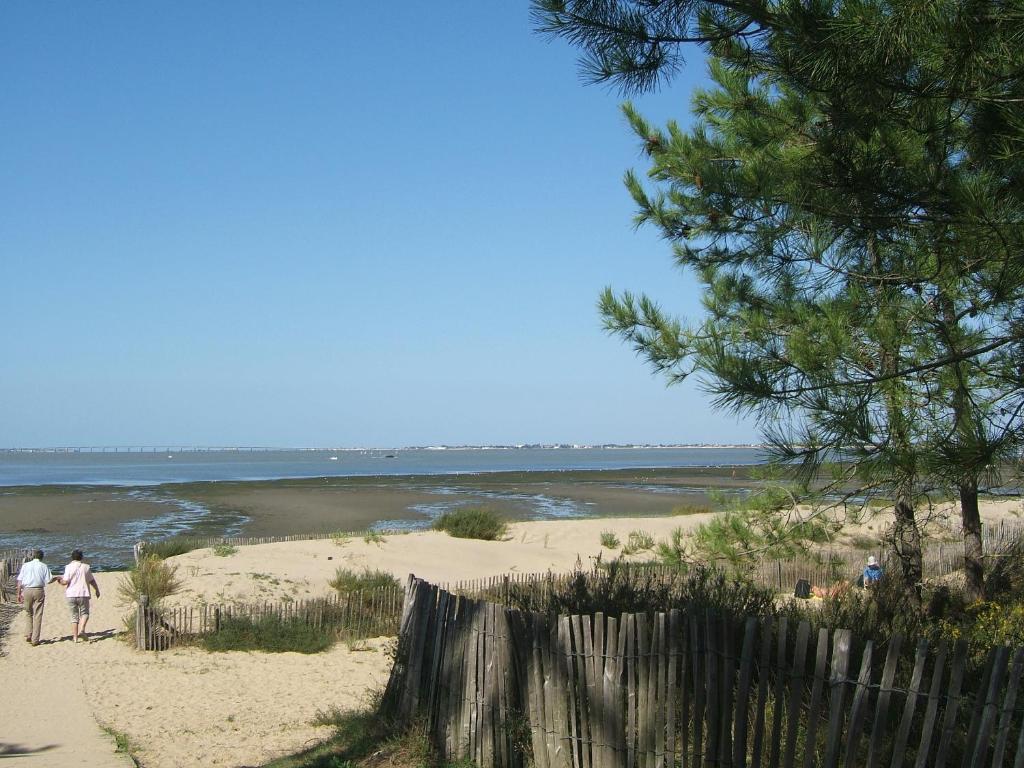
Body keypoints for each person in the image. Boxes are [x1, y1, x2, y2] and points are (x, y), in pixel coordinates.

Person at [15, 549, 58, 646]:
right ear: (42, 557)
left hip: (27, 590)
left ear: (33, 556)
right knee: (38, 615)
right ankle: (35, 639)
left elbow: (20, 581)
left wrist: (18, 594)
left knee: (28, 612)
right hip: (38, 590)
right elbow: (49, 580)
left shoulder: (26, 565)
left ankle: (29, 633)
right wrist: (56, 578)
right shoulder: (43, 566)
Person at [58, 549, 101, 643]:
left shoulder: (68, 567)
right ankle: (82, 629)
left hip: (71, 594)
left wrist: (59, 581)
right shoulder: (86, 567)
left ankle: (75, 638)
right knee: (85, 613)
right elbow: (92, 580)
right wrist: (97, 590)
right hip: (83, 593)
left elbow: (65, 582)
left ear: (72, 557)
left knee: (74, 616)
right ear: (81, 557)